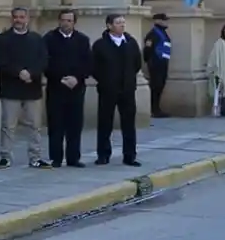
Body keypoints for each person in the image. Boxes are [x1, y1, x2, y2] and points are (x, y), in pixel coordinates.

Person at [0, 6, 50, 169]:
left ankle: (35, 157)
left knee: (34, 126)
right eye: (16, 17)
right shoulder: (3, 39)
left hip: (32, 87)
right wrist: (19, 72)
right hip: (10, 88)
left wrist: (31, 73)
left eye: (22, 17)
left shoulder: (37, 39)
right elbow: (1, 60)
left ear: (27, 19)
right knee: (8, 125)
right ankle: (5, 157)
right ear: (12, 19)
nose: (18, 20)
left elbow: (43, 59)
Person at [91, 13, 142, 167]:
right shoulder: (100, 44)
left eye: (123, 22)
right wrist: (105, 80)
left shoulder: (131, 42)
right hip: (108, 89)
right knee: (105, 122)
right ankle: (103, 155)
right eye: (118, 22)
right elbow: (94, 66)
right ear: (109, 26)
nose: (122, 25)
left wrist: (128, 78)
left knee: (128, 123)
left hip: (127, 89)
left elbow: (137, 63)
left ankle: (129, 156)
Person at [44, 9, 93, 167]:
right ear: (59, 21)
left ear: (74, 23)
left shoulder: (82, 40)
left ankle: (73, 158)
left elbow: (88, 63)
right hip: (56, 87)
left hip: (76, 88)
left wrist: (77, 78)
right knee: (56, 124)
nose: (66, 23)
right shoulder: (49, 39)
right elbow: (45, 62)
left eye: (69, 20)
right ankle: (56, 158)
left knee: (75, 124)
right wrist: (60, 78)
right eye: (63, 20)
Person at [143, 12, 172, 117]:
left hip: (162, 63)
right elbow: (147, 49)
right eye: (164, 20)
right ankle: (154, 110)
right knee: (156, 86)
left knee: (160, 86)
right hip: (156, 64)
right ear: (157, 21)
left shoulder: (162, 32)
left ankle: (157, 108)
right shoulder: (153, 34)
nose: (166, 22)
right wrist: (150, 61)